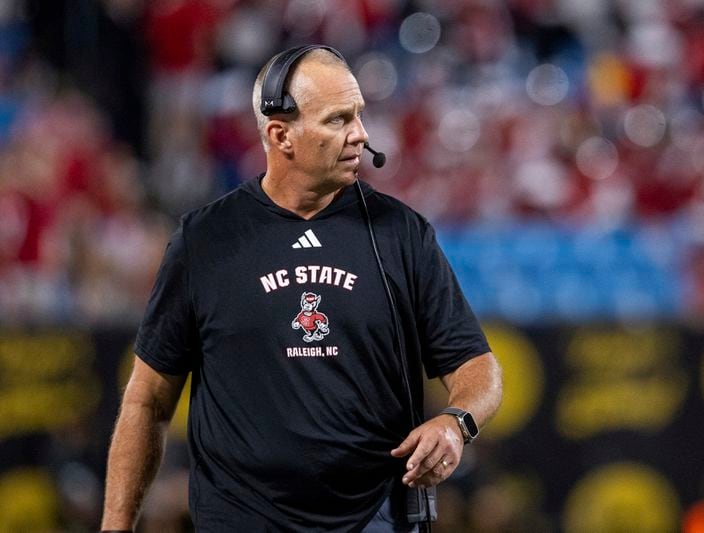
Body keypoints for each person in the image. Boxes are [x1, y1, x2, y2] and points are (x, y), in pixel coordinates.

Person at [101, 45, 503, 532]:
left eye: (358, 115)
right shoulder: (205, 241)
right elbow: (148, 400)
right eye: (337, 120)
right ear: (280, 134)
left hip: (374, 520)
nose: (361, 134)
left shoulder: (402, 234)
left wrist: (456, 423)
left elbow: (477, 367)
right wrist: (116, 527)